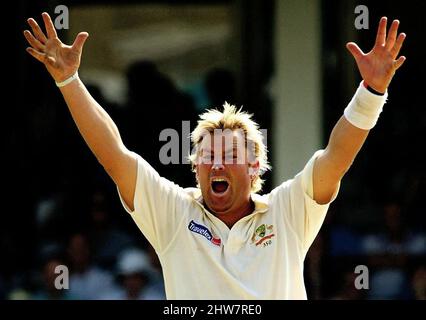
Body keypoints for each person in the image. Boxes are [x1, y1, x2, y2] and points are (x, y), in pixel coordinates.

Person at [23, 13, 406, 299]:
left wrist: (371, 91)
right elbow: (114, 153)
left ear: (255, 165)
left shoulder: (287, 210)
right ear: (195, 167)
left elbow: (336, 157)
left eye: (230, 153)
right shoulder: (174, 212)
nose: (217, 162)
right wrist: (68, 81)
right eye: (207, 154)